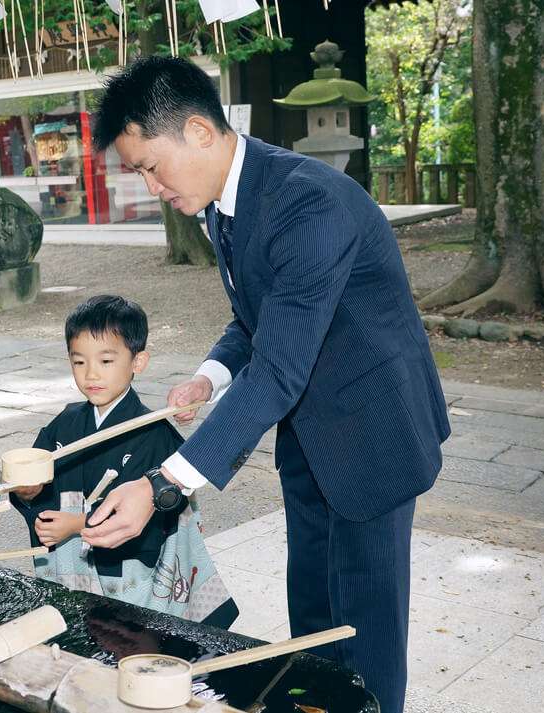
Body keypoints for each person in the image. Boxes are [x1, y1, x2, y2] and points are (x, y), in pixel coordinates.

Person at [80, 58, 450, 713]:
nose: (147, 184)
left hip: (371, 431)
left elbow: (278, 367)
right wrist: (210, 373)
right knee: (311, 609)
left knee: (363, 626)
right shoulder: (227, 199)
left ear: (197, 131)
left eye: (147, 165)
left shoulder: (308, 202)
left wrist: (163, 485)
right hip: (309, 435)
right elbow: (257, 317)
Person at [12, 295, 238, 628]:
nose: (91, 374)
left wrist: (76, 526)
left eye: (105, 361)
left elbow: (153, 515)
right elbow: (38, 487)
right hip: (69, 568)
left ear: (138, 361)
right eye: (79, 362)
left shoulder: (154, 434)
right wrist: (28, 494)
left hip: (126, 576)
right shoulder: (65, 423)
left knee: (125, 643)